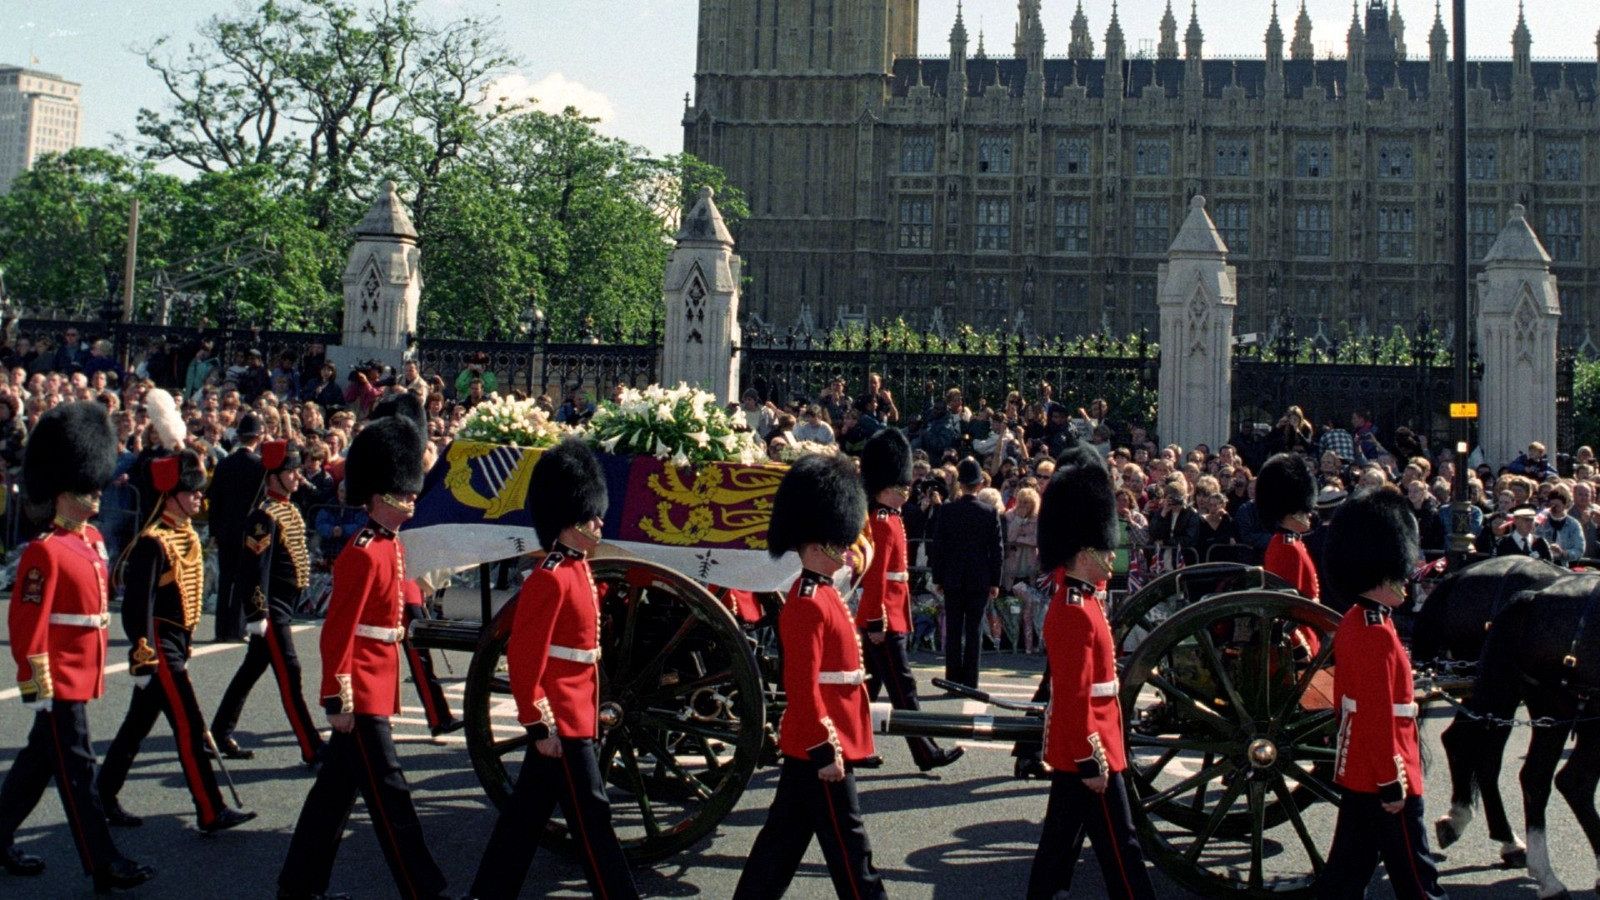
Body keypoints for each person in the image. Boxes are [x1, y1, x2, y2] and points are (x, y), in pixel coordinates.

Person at [277, 414, 449, 900]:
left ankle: (297, 885)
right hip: (361, 693)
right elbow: (338, 632)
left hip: (377, 683)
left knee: (332, 798)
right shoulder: (363, 550)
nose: (411, 495)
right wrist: (338, 696)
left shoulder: (389, 547)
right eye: (404, 488)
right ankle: (425, 889)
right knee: (392, 795)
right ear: (379, 493)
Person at [469, 439, 637, 899]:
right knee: (594, 820)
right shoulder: (550, 576)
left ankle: (488, 893)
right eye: (591, 515)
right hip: (562, 721)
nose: (599, 522)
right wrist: (540, 724)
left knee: (525, 818)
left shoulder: (578, 570)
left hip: (576, 716)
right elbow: (525, 657)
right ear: (568, 520)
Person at [0, 403, 155, 890]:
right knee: (79, 769)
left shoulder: (90, 541)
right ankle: (102, 861)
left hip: (82, 669)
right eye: (88, 488)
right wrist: (37, 683)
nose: (97, 494)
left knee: (37, 764)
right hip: (58, 677)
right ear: (65, 493)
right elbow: (28, 622)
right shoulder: (46, 549)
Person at [733, 454, 885, 900]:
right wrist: (824, 748)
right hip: (823, 741)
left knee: (778, 849)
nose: (845, 549)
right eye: (837, 543)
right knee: (852, 853)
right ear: (817, 544)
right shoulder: (807, 601)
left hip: (818, 741)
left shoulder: (820, 593)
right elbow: (802, 685)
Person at [98, 450, 256, 833]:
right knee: (190, 726)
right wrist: (143, 654)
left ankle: (100, 793)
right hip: (158, 647)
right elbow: (137, 607)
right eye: (192, 491)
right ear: (171, 495)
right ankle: (210, 809)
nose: (199, 498)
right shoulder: (154, 542)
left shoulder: (184, 535)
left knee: (137, 725)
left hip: (176, 644)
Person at [1025, 452, 1157, 900]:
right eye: (1105, 549)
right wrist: (1090, 756)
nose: (1111, 555)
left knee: (1059, 845)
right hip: (1091, 747)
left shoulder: (1085, 602)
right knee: (1122, 849)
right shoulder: (1073, 611)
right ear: (1084, 553)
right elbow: (1075, 693)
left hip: (1090, 745)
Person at [1315, 488, 1448, 900]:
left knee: (1345, 878)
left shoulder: (1359, 620)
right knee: (1418, 880)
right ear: (1382, 572)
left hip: (1360, 770)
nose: (1406, 578)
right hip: (1386, 775)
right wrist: (1392, 781)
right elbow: (1375, 714)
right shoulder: (1375, 632)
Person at [209, 440, 326, 764]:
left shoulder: (287, 508)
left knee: (251, 669)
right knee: (290, 672)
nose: (295, 476)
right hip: (272, 608)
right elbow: (254, 570)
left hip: (284, 604)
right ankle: (311, 746)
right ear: (272, 476)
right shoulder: (263, 517)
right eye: (288, 471)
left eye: (295, 470)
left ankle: (218, 732)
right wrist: (258, 611)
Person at [853, 429, 962, 773]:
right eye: (901, 485)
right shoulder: (882, 522)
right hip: (883, 620)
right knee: (904, 690)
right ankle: (925, 750)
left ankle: (851, 746)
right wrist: (874, 621)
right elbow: (876, 580)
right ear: (885, 487)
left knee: (866, 689)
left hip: (890, 615)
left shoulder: (892, 519)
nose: (907, 490)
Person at [930, 457, 1003, 690]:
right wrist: (995, 580)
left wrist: (938, 578)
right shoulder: (989, 512)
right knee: (973, 631)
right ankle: (971, 680)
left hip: (953, 577)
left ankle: (952, 678)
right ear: (980, 484)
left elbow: (938, 546)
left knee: (953, 630)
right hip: (979, 579)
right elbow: (997, 550)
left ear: (960, 484)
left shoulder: (948, 511)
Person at [206, 411, 265, 642]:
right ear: (257, 438)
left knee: (225, 579)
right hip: (249, 531)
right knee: (244, 579)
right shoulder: (260, 467)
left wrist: (214, 530)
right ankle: (238, 628)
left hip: (225, 530)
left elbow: (214, 500)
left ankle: (221, 629)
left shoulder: (225, 464)